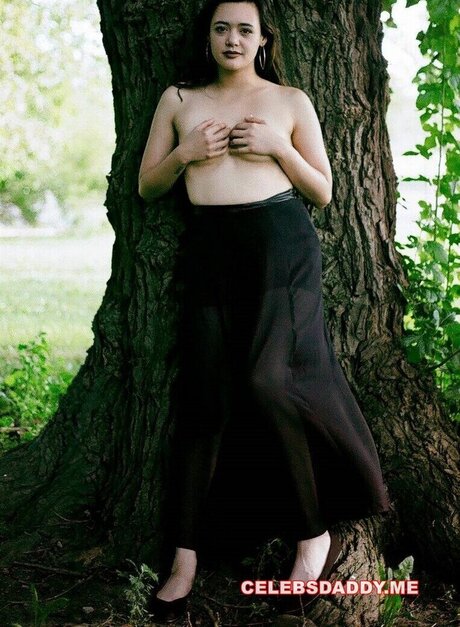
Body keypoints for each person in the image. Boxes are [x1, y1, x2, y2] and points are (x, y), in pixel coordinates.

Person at [138, 0, 391, 621]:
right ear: (207, 38)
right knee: (203, 399)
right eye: (221, 28)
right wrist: (185, 153)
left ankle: (312, 534)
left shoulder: (290, 101)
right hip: (209, 252)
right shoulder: (179, 99)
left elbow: (323, 192)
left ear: (262, 40)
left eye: (244, 29)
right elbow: (147, 186)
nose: (232, 38)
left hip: (281, 249)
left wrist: (279, 146)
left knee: (269, 381)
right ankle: (184, 559)